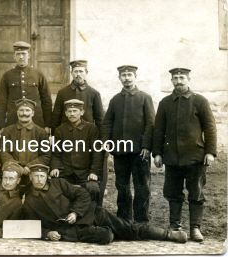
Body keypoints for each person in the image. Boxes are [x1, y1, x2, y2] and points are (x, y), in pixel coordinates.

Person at [22, 164, 188, 244]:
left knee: (128, 227)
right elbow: (33, 226)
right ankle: (111, 232)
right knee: (106, 237)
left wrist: (75, 212)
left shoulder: (58, 183)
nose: (38, 179)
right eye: (35, 176)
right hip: (72, 230)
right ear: (30, 178)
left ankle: (167, 234)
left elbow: (82, 194)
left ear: (46, 177)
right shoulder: (29, 201)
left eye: (41, 176)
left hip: (91, 214)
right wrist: (48, 234)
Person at [153, 68, 217, 242]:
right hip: (172, 158)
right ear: (172, 81)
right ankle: (175, 227)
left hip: (195, 157)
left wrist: (210, 152)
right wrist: (157, 153)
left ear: (189, 79)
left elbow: (210, 128)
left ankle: (195, 228)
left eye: (182, 77)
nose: (179, 81)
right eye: (175, 78)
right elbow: (158, 130)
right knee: (173, 193)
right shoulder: (165, 103)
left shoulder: (200, 101)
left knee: (196, 193)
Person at [101, 65, 155, 223]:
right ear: (119, 78)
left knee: (142, 186)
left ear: (135, 76)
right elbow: (107, 123)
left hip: (139, 151)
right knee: (122, 186)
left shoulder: (145, 98)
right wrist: (106, 144)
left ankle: (141, 220)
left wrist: (146, 146)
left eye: (129, 74)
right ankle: (124, 219)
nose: (127, 78)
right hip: (120, 151)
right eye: (123, 75)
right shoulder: (115, 100)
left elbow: (150, 124)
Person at [50, 99, 104, 204]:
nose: (72, 114)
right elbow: (56, 153)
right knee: (54, 188)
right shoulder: (60, 130)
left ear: (82, 112)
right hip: (66, 172)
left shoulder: (91, 129)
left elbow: (97, 153)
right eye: (69, 111)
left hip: (85, 173)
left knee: (93, 188)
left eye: (75, 111)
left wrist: (94, 172)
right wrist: (55, 167)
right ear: (65, 113)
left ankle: (92, 216)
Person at [0, 41, 52, 134]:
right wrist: (1, 124)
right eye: (18, 54)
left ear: (29, 55)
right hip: (13, 119)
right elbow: (1, 101)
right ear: (14, 56)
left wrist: (47, 124)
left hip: (36, 120)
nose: (21, 57)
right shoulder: (7, 76)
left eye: (24, 54)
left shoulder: (38, 75)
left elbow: (46, 100)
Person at [0, 98, 50, 188]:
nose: (24, 113)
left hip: (33, 170)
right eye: (21, 110)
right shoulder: (7, 131)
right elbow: (4, 152)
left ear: (33, 113)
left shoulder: (41, 132)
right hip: (12, 170)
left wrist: (29, 167)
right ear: (17, 112)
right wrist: (16, 166)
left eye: (27, 110)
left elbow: (45, 155)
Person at [51, 60, 104, 132]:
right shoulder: (62, 92)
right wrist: (55, 137)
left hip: (87, 133)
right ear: (71, 73)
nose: (78, 74)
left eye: (81, 71)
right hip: (66, 133)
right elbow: (56, 117)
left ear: (86, 73)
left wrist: (101, 139)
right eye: (75, 71)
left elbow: (99, 119)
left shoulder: (94, 93)